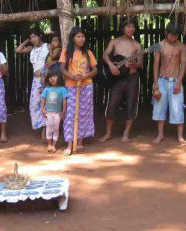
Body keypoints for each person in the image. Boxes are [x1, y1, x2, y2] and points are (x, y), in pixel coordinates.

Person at [100, 17, 143, 143]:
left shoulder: (137, 45)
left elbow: (140, 63)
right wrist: (111, 65)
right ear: (123, 27)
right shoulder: (115, 42)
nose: (131, 29)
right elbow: (104, 55)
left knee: (131, 103)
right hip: (117, 78)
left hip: (132, 78)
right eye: (128, 26)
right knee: (112, 103)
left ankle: (126, 133)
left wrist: (133, 64)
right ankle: (108, 133)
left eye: (133, 26)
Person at [60, 26, 97, 155]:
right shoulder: (66, 52)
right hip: (71, 86)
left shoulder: (88, 52)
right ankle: (70, 143)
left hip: (86, 86)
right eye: (78, 37)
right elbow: (62, 69)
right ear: (73, 38)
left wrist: (85, 76)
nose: (81, 39)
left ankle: (80, 141)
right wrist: (72, 76)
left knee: (83, 113)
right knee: (70, 114)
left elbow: (95, 70)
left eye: (83, 36)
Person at [152, 21, 186, 145]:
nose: (174, 38)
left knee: (178, 108)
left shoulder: (182, 46)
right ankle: (160, 134)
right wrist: (156, 84)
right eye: (171, 35)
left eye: (176, 35)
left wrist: (179, 82)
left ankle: (180, 136)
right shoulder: (158, 45)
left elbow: (183, 65)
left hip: (175, 81)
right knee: (159, 107)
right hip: (161, 80)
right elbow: (155, 65)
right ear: (166, 33)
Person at [16, 28, 49, 141]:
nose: (33, 39)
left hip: (47, 80)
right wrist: (26, 41)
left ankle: (45, 130)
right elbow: (18, 50)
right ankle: (42, 125)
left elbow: (56, 57)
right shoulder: (31, 48)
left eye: (35, 36)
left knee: (47, 104)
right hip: (36, 81)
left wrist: (46, 69)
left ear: (40, 36)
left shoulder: (48, 46)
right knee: (35, 104)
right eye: (31, 38)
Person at [41, 68, 68, 153]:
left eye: (54, 76)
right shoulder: (46, 89)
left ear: (59, 77)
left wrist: (63, 112)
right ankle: (49, 144)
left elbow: (64, 102)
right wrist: (43, 109)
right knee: (49, 128)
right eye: (50, 77)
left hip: (57, 113)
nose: (52, 79)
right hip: (48, 113)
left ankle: (54, 145)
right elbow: (43, 100)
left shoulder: (62, 89)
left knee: (56, 129)